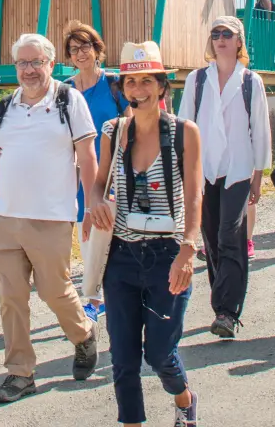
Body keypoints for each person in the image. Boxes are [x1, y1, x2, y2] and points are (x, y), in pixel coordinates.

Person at [0, 33, 99, 404]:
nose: (28, 70)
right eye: (22, 63)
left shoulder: (68, 100)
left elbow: (88, 157)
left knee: (53, 290)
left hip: (52, 217)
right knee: (10, 298)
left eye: (36, 62)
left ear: (50, 63)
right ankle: (20, 373)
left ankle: (83, 334)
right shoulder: (2, 111)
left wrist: (91, 206)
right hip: (5, 219)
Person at [90, 41, 202, 427]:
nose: (137, 90)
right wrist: (96, 202)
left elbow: (194, 194)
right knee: (122, 359)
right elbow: (97, 183)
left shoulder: (185, 133)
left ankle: (184, 398)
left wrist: (188, 249)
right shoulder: (112, 132)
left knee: (159, 354)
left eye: (146, 81)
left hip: (168, 254)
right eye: (130, 82)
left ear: (161, 87)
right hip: (121, 255)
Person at [179, 16, 271, 339]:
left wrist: (258, 176)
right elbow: (184, 126)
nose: (220, 39)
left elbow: (260, 131)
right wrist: (184, 173)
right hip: (204, 171)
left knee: (230, 237)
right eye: (215, 34)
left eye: (227, 34)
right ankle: (223, 303)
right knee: (212, 240)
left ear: (239, 42)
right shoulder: (196, 80)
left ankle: (227, 311)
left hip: (238, 170)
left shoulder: (251, 82)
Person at [63, 20, 129, 323]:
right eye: (74, 49)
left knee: (115, 234)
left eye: (85, 46)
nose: (80, 53)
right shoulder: (65, 90)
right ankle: (94, 298)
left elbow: (132, 123)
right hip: (78, 174)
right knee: (87, 231)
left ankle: (115, 292)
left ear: (97, 49)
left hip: (114, 171)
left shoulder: (114, 85)